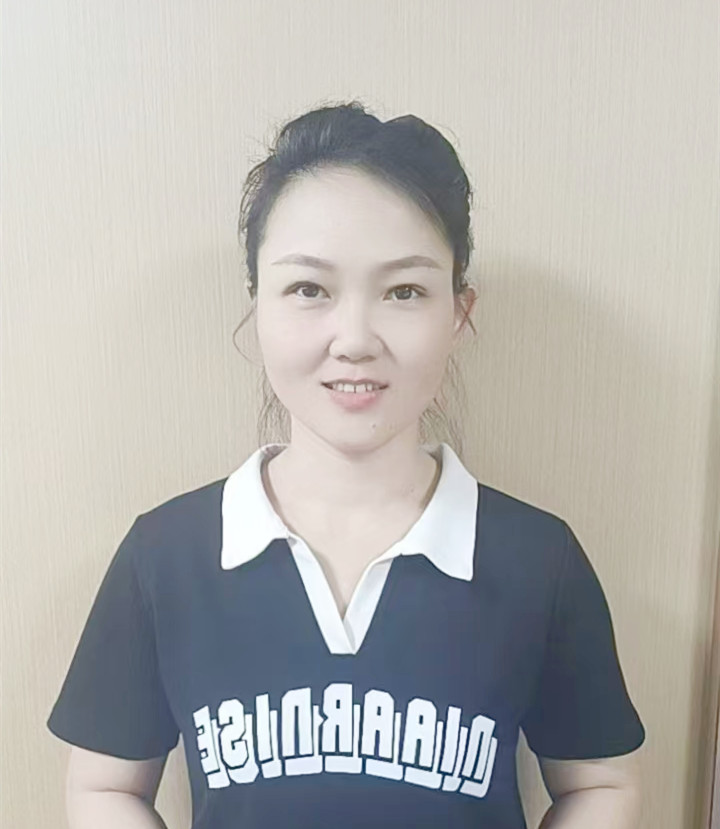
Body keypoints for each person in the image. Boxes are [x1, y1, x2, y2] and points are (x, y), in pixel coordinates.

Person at [47, 100, 646, 829]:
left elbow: (600, 784)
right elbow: (105, 786)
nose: (355, 338)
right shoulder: (165, 556)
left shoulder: (538, 560)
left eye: (404, 291)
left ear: (459, 313)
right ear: (257, 306)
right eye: (309, 289)